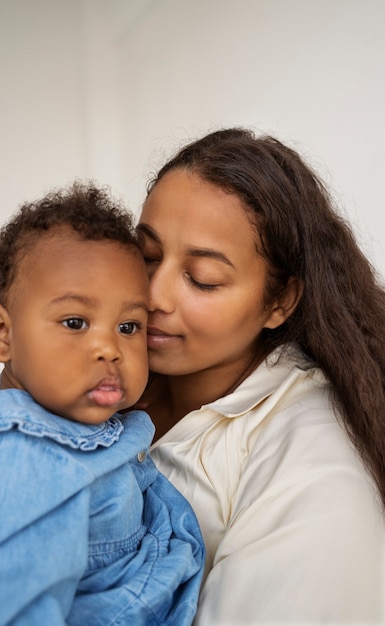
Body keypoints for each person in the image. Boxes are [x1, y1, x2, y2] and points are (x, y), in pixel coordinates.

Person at [136, 127, 385, 625]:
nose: (154, 296)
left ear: (280, 301)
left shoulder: (316, 473)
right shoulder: (107, 375)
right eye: (146, 257)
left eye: (202, 279)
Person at [0, 182, 204, 626]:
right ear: (3, 333)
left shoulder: (73, 419)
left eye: (130, 326)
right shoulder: (18, 457)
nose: (109, 348)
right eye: (75, 322)